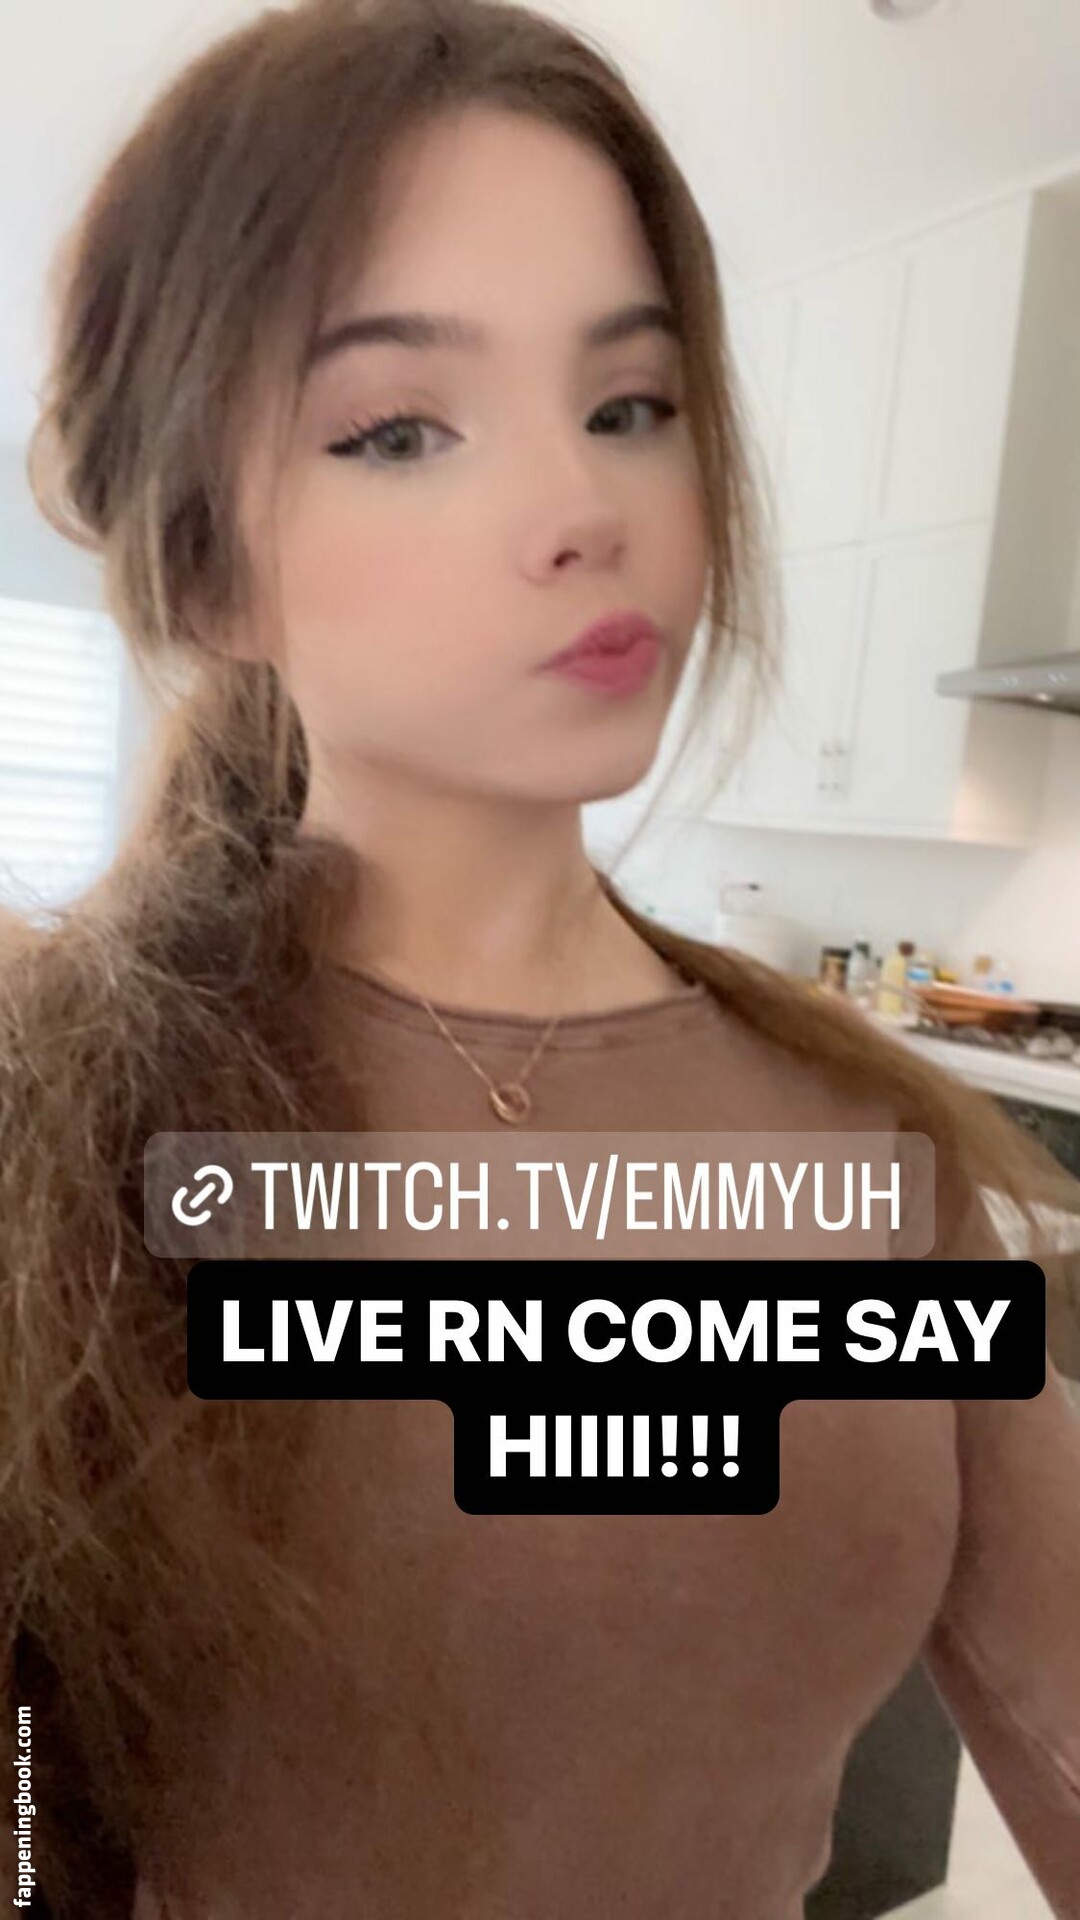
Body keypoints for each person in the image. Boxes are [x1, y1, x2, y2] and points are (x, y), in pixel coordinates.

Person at [2, 2, 1078, 1915]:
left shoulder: (867, 1147)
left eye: (630, 406)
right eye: (400, 430)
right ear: (208, 563)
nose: (586, 510)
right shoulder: (61, 1109)